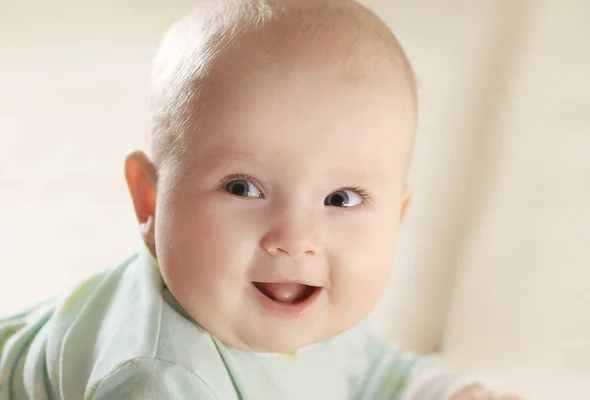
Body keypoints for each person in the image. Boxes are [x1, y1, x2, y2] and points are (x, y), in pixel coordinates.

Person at [0, 1, 524, 399]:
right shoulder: (159, 375)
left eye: (340, 199)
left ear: (397, 219)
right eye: (242, 187)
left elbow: (371, 372)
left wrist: (449, 392)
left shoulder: (303, 298)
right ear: (150, 199)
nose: (296, 238)